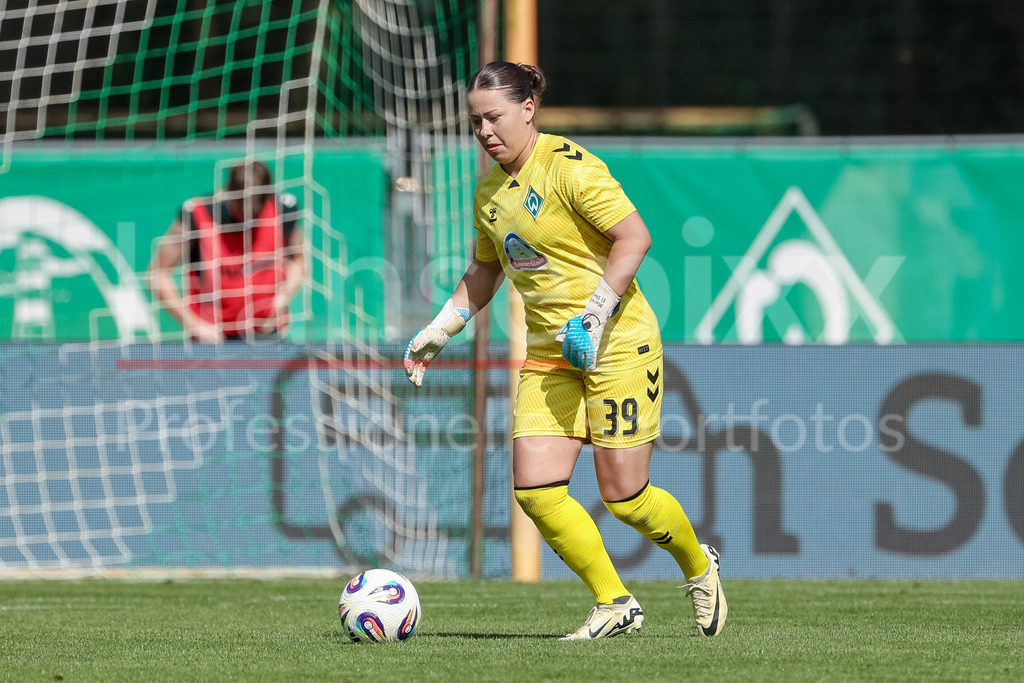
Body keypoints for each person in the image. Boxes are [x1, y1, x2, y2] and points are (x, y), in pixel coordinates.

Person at [404, 61, 727, 639]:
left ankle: (699, 567)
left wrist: (594, 316)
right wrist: (442, 328)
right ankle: (615, 604)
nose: (484, 131)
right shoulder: (488, 193)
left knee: (625, 498)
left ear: (528, 108)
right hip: (550, 354)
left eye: (494, 117)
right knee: (535, 489)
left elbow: (635, 237)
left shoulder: (570, 166)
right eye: (475, 122)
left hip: (616, 344)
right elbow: (485, 268)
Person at [148, 160, 306, 341]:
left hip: (268, 332)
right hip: (213, 338)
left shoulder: (282, 210)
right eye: (240, 208)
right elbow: (157, 274)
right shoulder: (197, 214)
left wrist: (283, 297)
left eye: (254, 212)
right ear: (228, 192)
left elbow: (299, 260)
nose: (247, 218)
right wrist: (194, 324)